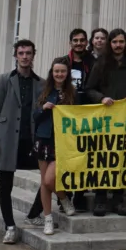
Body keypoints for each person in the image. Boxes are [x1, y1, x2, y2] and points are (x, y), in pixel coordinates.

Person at [0, 39, 43, 244]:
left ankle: (34, 213)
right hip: (8, 138)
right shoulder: (4, 80)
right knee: (5, 185)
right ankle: (10, 226)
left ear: (33, 55)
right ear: (16, 56)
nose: (25, 56)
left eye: (28, 53)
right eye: (21, 53)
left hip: (32, 140)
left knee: (49, 176)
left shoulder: (41, 83)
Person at [84, 28, 126, 217]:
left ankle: (118, 199)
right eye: (115, 42)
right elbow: (89, 89)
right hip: (104, 119)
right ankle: (100, 199)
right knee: (104, 158)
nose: (118, 45)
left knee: (121, 159)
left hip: (125, 120)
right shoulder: (100, 64)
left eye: (121, 42)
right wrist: (101, 98)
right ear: (110, 44)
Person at [33, 58, 77, 235]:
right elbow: (34, 116)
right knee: (44, 181)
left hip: (63, 141)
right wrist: (43, 108)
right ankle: (48, 218)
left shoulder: (72, 93)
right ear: (52, 72)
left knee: (50, 179)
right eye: (56, 71)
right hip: (44, 139)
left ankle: (63, 197)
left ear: (67, 74)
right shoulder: (43, 90)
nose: (59, 74)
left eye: (63, 71)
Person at [55, 28, 95, 212]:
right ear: (70, 42)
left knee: (84, 158)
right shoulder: (64, 62)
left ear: (87, 42)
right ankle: (65, 197)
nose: (79, 43)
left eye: (82, 40)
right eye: (75, 40)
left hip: (88, 116)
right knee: (68, 157)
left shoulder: (93, 62)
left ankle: (79, 195)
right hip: (67, 117)